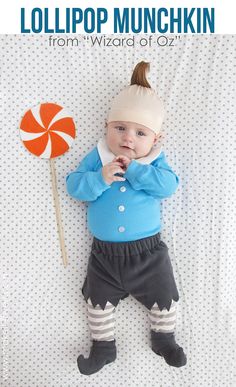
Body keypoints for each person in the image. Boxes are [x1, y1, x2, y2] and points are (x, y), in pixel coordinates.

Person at [66, 61, 187, 375]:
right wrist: (100, 178)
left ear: (155, 138)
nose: (128, 138)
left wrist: (137, 171)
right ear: (107, 126)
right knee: (96, 302)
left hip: (147, 253)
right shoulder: (97, 157)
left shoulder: (154, 161)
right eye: (120, 128)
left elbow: (169, 186)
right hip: (104, 255)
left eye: (140, 133)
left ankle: (164, 339)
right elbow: (74, 186)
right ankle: (103, 348)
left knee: (165, 297)